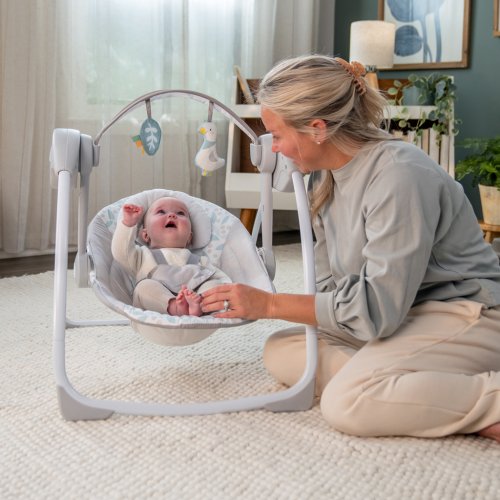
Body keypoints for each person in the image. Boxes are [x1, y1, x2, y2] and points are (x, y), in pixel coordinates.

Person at [200, 55, 500, 442]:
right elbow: (330, 287)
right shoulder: (324, 179)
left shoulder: (399, 175)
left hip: (464, 312)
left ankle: (474, 399)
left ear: (317, 128)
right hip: (401, 313)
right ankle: (405, 382)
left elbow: (377, 310)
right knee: (283, 349)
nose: (275, 149)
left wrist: (270, 305)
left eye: (277, 135)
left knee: (347, 403)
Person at [112, 196, 231, 316]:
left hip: (195, 296)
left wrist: (223, 290)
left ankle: (199, 306)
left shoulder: (201, 260)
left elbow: (222, 279)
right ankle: (175, 306)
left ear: (189, 237)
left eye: (180, 213)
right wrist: (128, 225)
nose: (172, 215)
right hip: (159, 302)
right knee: (143, 287)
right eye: (161, 212)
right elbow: (121, 253)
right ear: (146, 235)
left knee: (214, 285)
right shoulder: (142, 256)